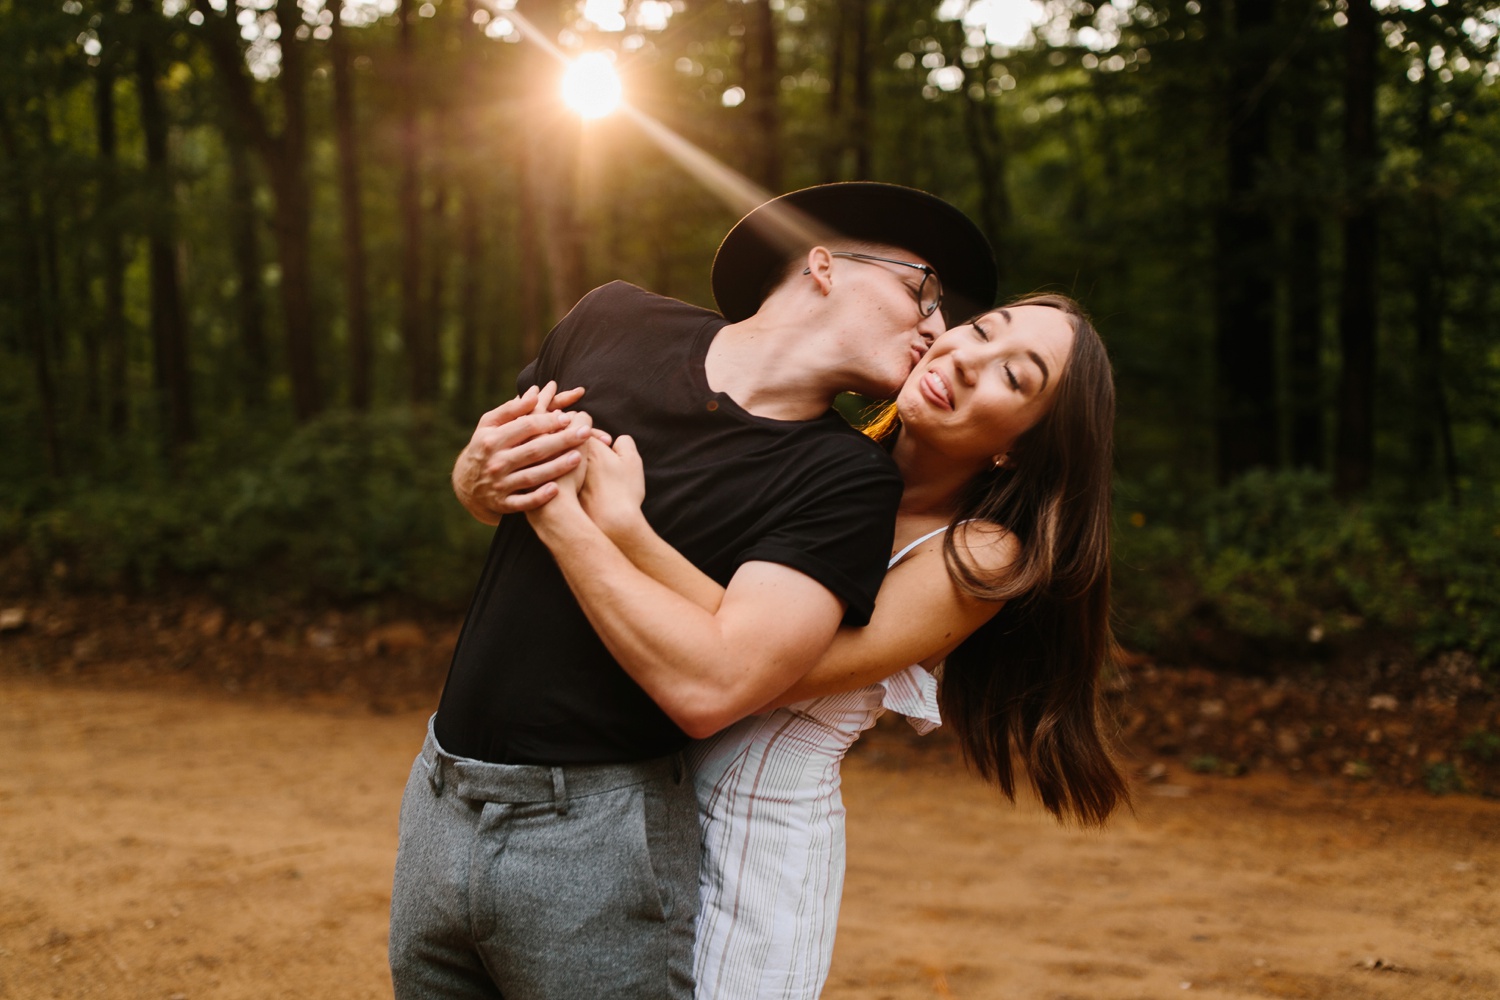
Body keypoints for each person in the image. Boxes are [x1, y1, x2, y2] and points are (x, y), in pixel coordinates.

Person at [388, 182, 997, 1000]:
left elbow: (716, 683)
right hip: (437, 792)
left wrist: (580, 521)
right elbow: (495, 486)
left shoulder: (844, 477)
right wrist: (471, 477)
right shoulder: (610, 318)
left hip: (600, 830)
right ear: (822, 264)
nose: (938, 330)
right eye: (923, 291)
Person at [523, 293, 1130, 999]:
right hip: (641, 809)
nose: (966, 360)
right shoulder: (817, 459)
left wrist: (627, 531)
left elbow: (759, 666)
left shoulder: (981, 554)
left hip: (755, 848)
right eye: (981, 331)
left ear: (1019, 446)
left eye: (1012, 376)